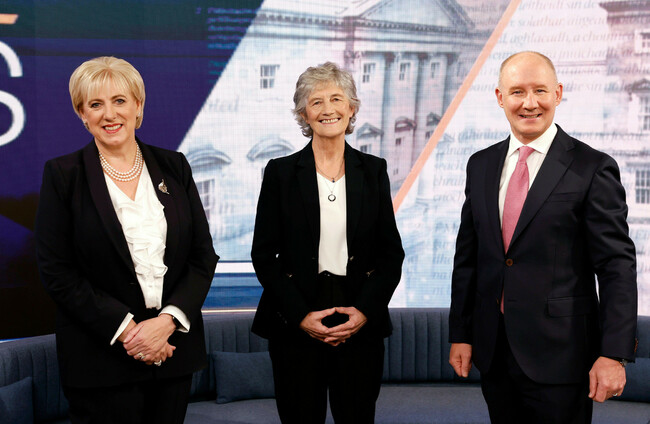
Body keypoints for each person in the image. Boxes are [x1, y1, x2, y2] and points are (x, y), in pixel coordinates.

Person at [448, 51, 638, 423]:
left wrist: (614, 354)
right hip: (494, 352)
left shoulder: (592, 167)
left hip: (563, 357)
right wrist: (462, 333)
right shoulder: (480, 164)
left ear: (558, 93)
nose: (530, 103)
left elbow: (616, 267)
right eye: (517, 91)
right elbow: (468, 258)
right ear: (500, 97)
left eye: (540, 90)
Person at [35, 56, 218, 424]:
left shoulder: (174, 166)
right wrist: (131, 333)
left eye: (119, 100)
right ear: (82, 113)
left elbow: (202, 257)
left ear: (138, 106)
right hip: (100, 361)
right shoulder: (63, 175)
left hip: (171, 352)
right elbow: (57, 272)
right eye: (95, 104)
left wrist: (167, 322)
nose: (109, 114)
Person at [251, 62, 404, 423]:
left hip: (358, 314)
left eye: (336, 98)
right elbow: (264, 255)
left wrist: (363, 312)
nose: (327, 109)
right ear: (304, 114)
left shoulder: (374, 170)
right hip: (296, 316)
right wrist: (301, 316)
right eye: (316, 101)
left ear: (351, 108)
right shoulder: (280, 173)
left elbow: (391, 255)